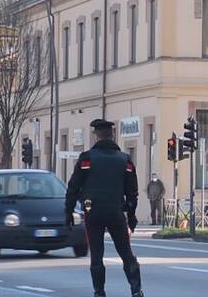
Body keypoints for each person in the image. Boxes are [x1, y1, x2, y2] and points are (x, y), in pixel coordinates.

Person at [65, 119, 144, 297]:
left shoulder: (87, 159)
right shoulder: (125, 160)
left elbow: (73, 187)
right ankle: (136, 290)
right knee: (126, 253)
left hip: (93, 212)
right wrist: (131, 216)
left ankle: (99, 292)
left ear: (96, 136)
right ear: (112, 135)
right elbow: (132, 193)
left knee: (97, 254)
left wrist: (68, 211)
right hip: (116, 212)